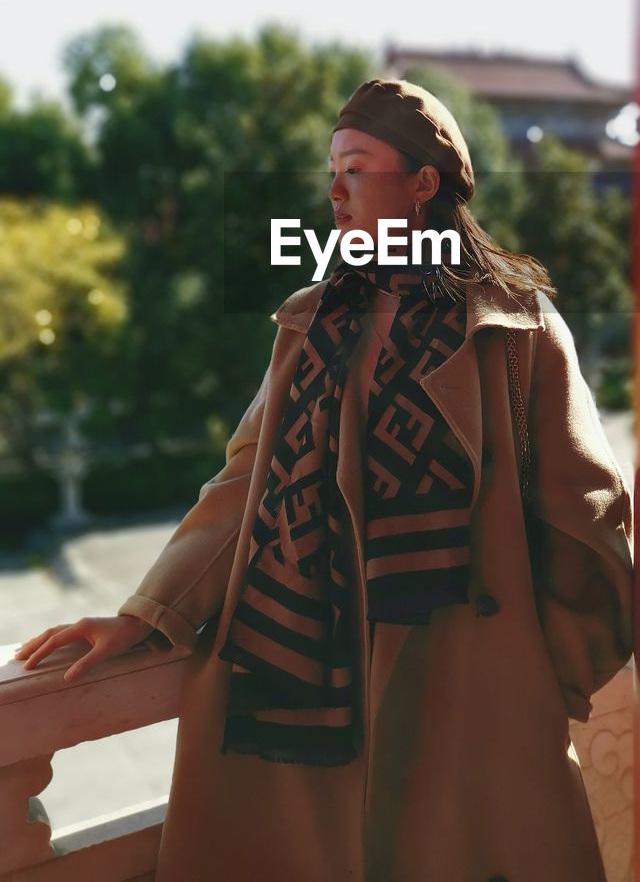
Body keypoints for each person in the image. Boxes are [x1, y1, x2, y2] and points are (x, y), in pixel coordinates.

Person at [15, 78, 633, 882]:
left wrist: (557, 667)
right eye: (331, 169)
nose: (335, 189)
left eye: (357, 166)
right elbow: (245, 483)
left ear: (423, 183)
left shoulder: (515, 326)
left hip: (473, 684)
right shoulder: (312, 319)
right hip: (303, 666)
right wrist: (146, 613)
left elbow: (587, 508)